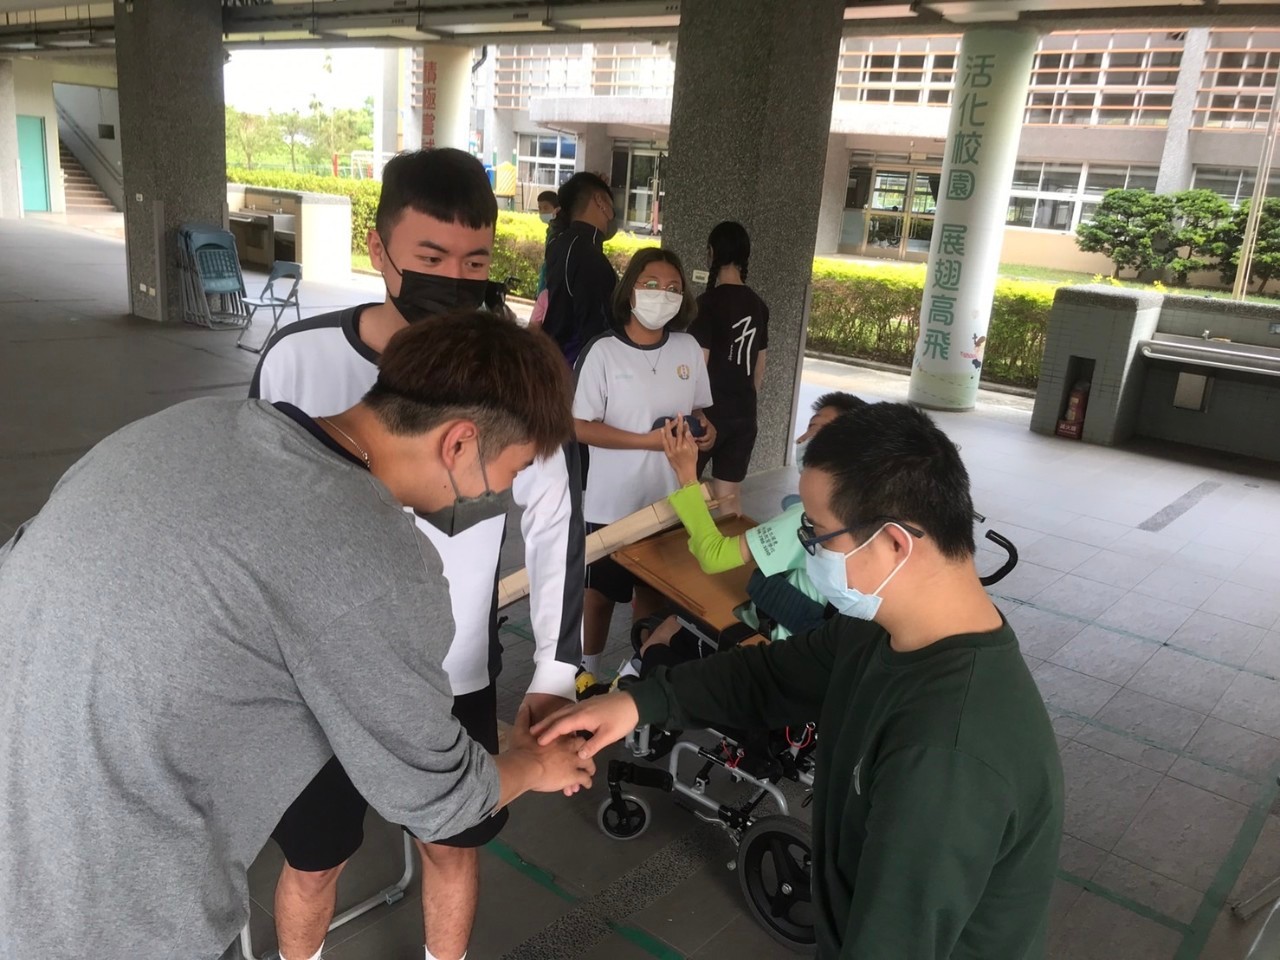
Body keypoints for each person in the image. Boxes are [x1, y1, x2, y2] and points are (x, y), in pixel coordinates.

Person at [0, 314, 596, 960]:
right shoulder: (376, 557)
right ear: (458, 444)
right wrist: (538, 764)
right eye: (510, 473)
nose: (501, 493)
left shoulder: (181, 428)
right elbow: (438, 799)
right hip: (110, 912)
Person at [535, 401, 1065, 959]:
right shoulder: (880, 631)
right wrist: (639, 703)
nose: (808, 546)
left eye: (818, 534)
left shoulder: (946, 753)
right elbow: (769, 675)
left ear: (894, 543)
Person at [250, 148, 585, 960]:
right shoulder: (297, 359)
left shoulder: (514, 381)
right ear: (379, 249)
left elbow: (555, 524)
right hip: (314, 680)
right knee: (314, 862)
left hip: (452, 674)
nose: (454, 281)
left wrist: (553, 671)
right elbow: (252, 520)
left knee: (453, 845)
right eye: (431, 258)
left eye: (475, 263)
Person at [573, 247, 716, 680]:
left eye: (673, 288)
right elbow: (578, 426)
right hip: (611, 504)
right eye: (651, 284)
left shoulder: (688, 349)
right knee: (599, 594)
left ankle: (638, 672)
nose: (662, 294)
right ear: (630, 289)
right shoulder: (603, 351)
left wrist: (707, 431)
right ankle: (586, 674)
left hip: (671, 501)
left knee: (652, 594)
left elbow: (699, 411)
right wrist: (645, 442)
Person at [688, 221, 770, 500]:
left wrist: (695, 412)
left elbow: (699, 365)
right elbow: (759, 368)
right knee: (729, 496)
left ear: (711, 252)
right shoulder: (759, 305)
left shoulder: (706, 304)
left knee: (685, 491)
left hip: (707, 417)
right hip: (744, 415)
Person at [542, 171, 619, 365]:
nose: (613, 214)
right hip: (575, 366)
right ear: (600, 201)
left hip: (552, 359)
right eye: (611, 204)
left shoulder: (557, 243)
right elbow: (597, 329)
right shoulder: (589, 257)